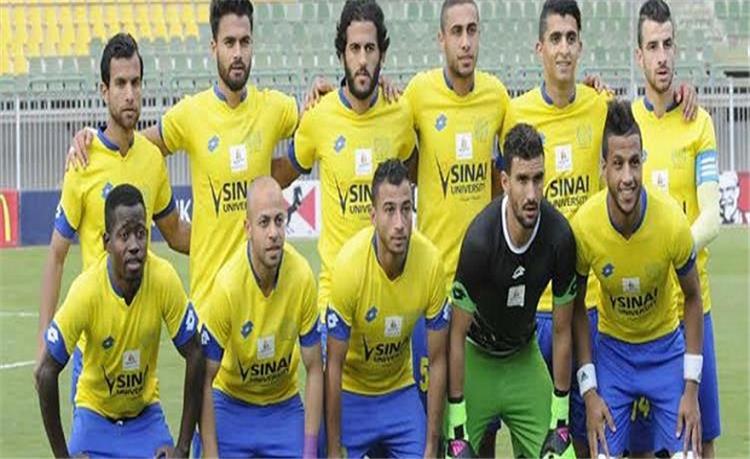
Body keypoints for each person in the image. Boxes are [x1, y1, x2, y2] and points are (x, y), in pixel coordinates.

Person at [507, 1, 699, 454]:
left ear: (581, 46)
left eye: (571, 39)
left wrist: (681, 95)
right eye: (555, 39)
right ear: (539, 47)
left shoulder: (601, 105)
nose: (564, 49)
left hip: (590, 306)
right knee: (534, 437)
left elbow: (641, 118)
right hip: (535, 304)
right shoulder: (513, 112)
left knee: (590, 435)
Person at [67, 0, 299, 321]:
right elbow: (135, 144)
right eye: (229, 43)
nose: (237, 53)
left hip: (260, 300)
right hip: (210, 302)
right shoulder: (191, 113)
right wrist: (93, 138)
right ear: (213, 47)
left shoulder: (275, 108)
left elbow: (321, 126)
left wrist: (324, 92)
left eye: (244, 42)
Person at [36, 33, 190, 403]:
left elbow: (176, 234)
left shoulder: (152, 160)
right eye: (120, 84)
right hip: (93, 348)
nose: (130, 94)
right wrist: (44, 341)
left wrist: (232, 235)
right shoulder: (83, 162)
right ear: (104, 91)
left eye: (136, 83)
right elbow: (56, 255)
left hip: (140, 343)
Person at [273, 0, 416, 344]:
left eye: (370, 49)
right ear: (341, 55)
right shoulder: (318, 116)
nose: (362, 59)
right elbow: (280, 175)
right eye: (354, 49)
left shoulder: (401, 113)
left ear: (382, 54)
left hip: (390, 293)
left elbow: (416, 170)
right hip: (335, 296)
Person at [571, 99, 703, 459]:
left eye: (634, 162)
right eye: (617, 164)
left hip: (665, 350)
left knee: (688, 455)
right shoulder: (584, 227)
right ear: (603, 169)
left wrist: (691, 390)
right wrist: (589, 391)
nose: (627, 177)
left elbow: (693, 297)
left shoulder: (671, 222)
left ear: (643, 161)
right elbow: (577, 306)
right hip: (614, 354)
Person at [35, 184, 204, 458]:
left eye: (141, 233)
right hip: (95, 417)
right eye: (124, 235)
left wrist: (183, 448)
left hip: (145, 417)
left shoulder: (163, 278)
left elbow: (195, 351)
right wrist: (63, 457)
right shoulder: (86, 290)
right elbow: (45, 372)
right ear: (106, 242)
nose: (135, 245)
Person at [447, 123, 578, 458]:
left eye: (538, 179)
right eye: (522, 180)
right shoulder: (480, 240)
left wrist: (560, 417)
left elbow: (562, 329)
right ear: (505, 181)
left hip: (523, 357)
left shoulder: (560, 237)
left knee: (563, 456)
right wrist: (457, 425)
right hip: (476, 358)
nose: (532, 194)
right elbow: (455, 334)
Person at [628, 1, 722, 457]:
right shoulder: (625, 125)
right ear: (638, 56)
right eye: (652, 46)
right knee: (643, 446)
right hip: (643, 318)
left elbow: (713, 216)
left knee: (702, 441)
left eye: (668, 44)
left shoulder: (698, 123)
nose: (662, 56)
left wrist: (668, 253)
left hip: (693, 306)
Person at [325, 159, 450, 458]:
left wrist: (431, 445)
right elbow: (333, 367)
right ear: (373, 215)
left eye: (406, 209)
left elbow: (438, 360)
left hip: (399, 392)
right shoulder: (349, 267)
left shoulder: (431, 263)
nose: (400, 224)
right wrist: (333, 448)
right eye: (389, 210)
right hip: (352, 393)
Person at [199, 177, 323, 458]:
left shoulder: (302, 276)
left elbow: (315, 368)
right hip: (230, 403)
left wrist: (309, 451)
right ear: (248, 228)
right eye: (264, 222)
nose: (273, 233)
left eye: (279, 221)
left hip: (283, 406)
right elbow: (204, 378)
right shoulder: (227, 286)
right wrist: (211, 454)